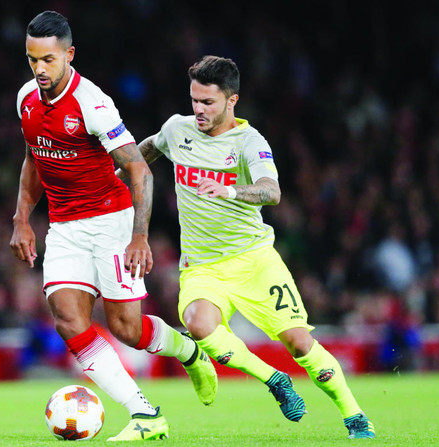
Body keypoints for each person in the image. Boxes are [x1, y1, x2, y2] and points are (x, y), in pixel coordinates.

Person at [128, 55, 375, 439]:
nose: (198, 109)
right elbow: (149, 148)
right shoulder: (178, 129)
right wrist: (115, 173)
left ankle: (354, 414)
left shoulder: (249, 142)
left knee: (299, 343)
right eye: (194, 100)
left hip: (254, 260)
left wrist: (228, 190)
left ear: (232, 100)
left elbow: (271, 192)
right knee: (198, 325)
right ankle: (274, 379)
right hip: (202, 266)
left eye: (208, 102)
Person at [9, 11, 217, 441]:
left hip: (110, 220)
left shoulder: (93, 104)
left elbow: (140, 170)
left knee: (126, 328)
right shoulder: (26, 98)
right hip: (64, 225)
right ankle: (145, 414)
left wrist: (140, 236)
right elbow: (34, 157)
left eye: (48, 59)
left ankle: (188, 351)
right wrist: (21, 218)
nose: (39, 69)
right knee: (68, 319)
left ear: (69, 54)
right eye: (32, 59)